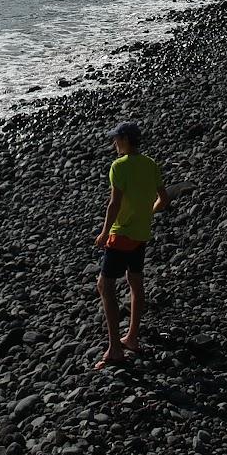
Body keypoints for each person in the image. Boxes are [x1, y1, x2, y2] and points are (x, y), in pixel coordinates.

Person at [92, 120, 169, 369]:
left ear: (125, 140)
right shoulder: (151, 164)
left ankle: (115, 348)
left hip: (121, 235)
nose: (114, 142)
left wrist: (104, 233)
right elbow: (163, 199)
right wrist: (148, 214)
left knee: (105, 285)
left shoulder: (119, 166)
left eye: (116, 138)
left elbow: (113, 204)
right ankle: (132, 337)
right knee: (136, 283)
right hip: (141, 234)